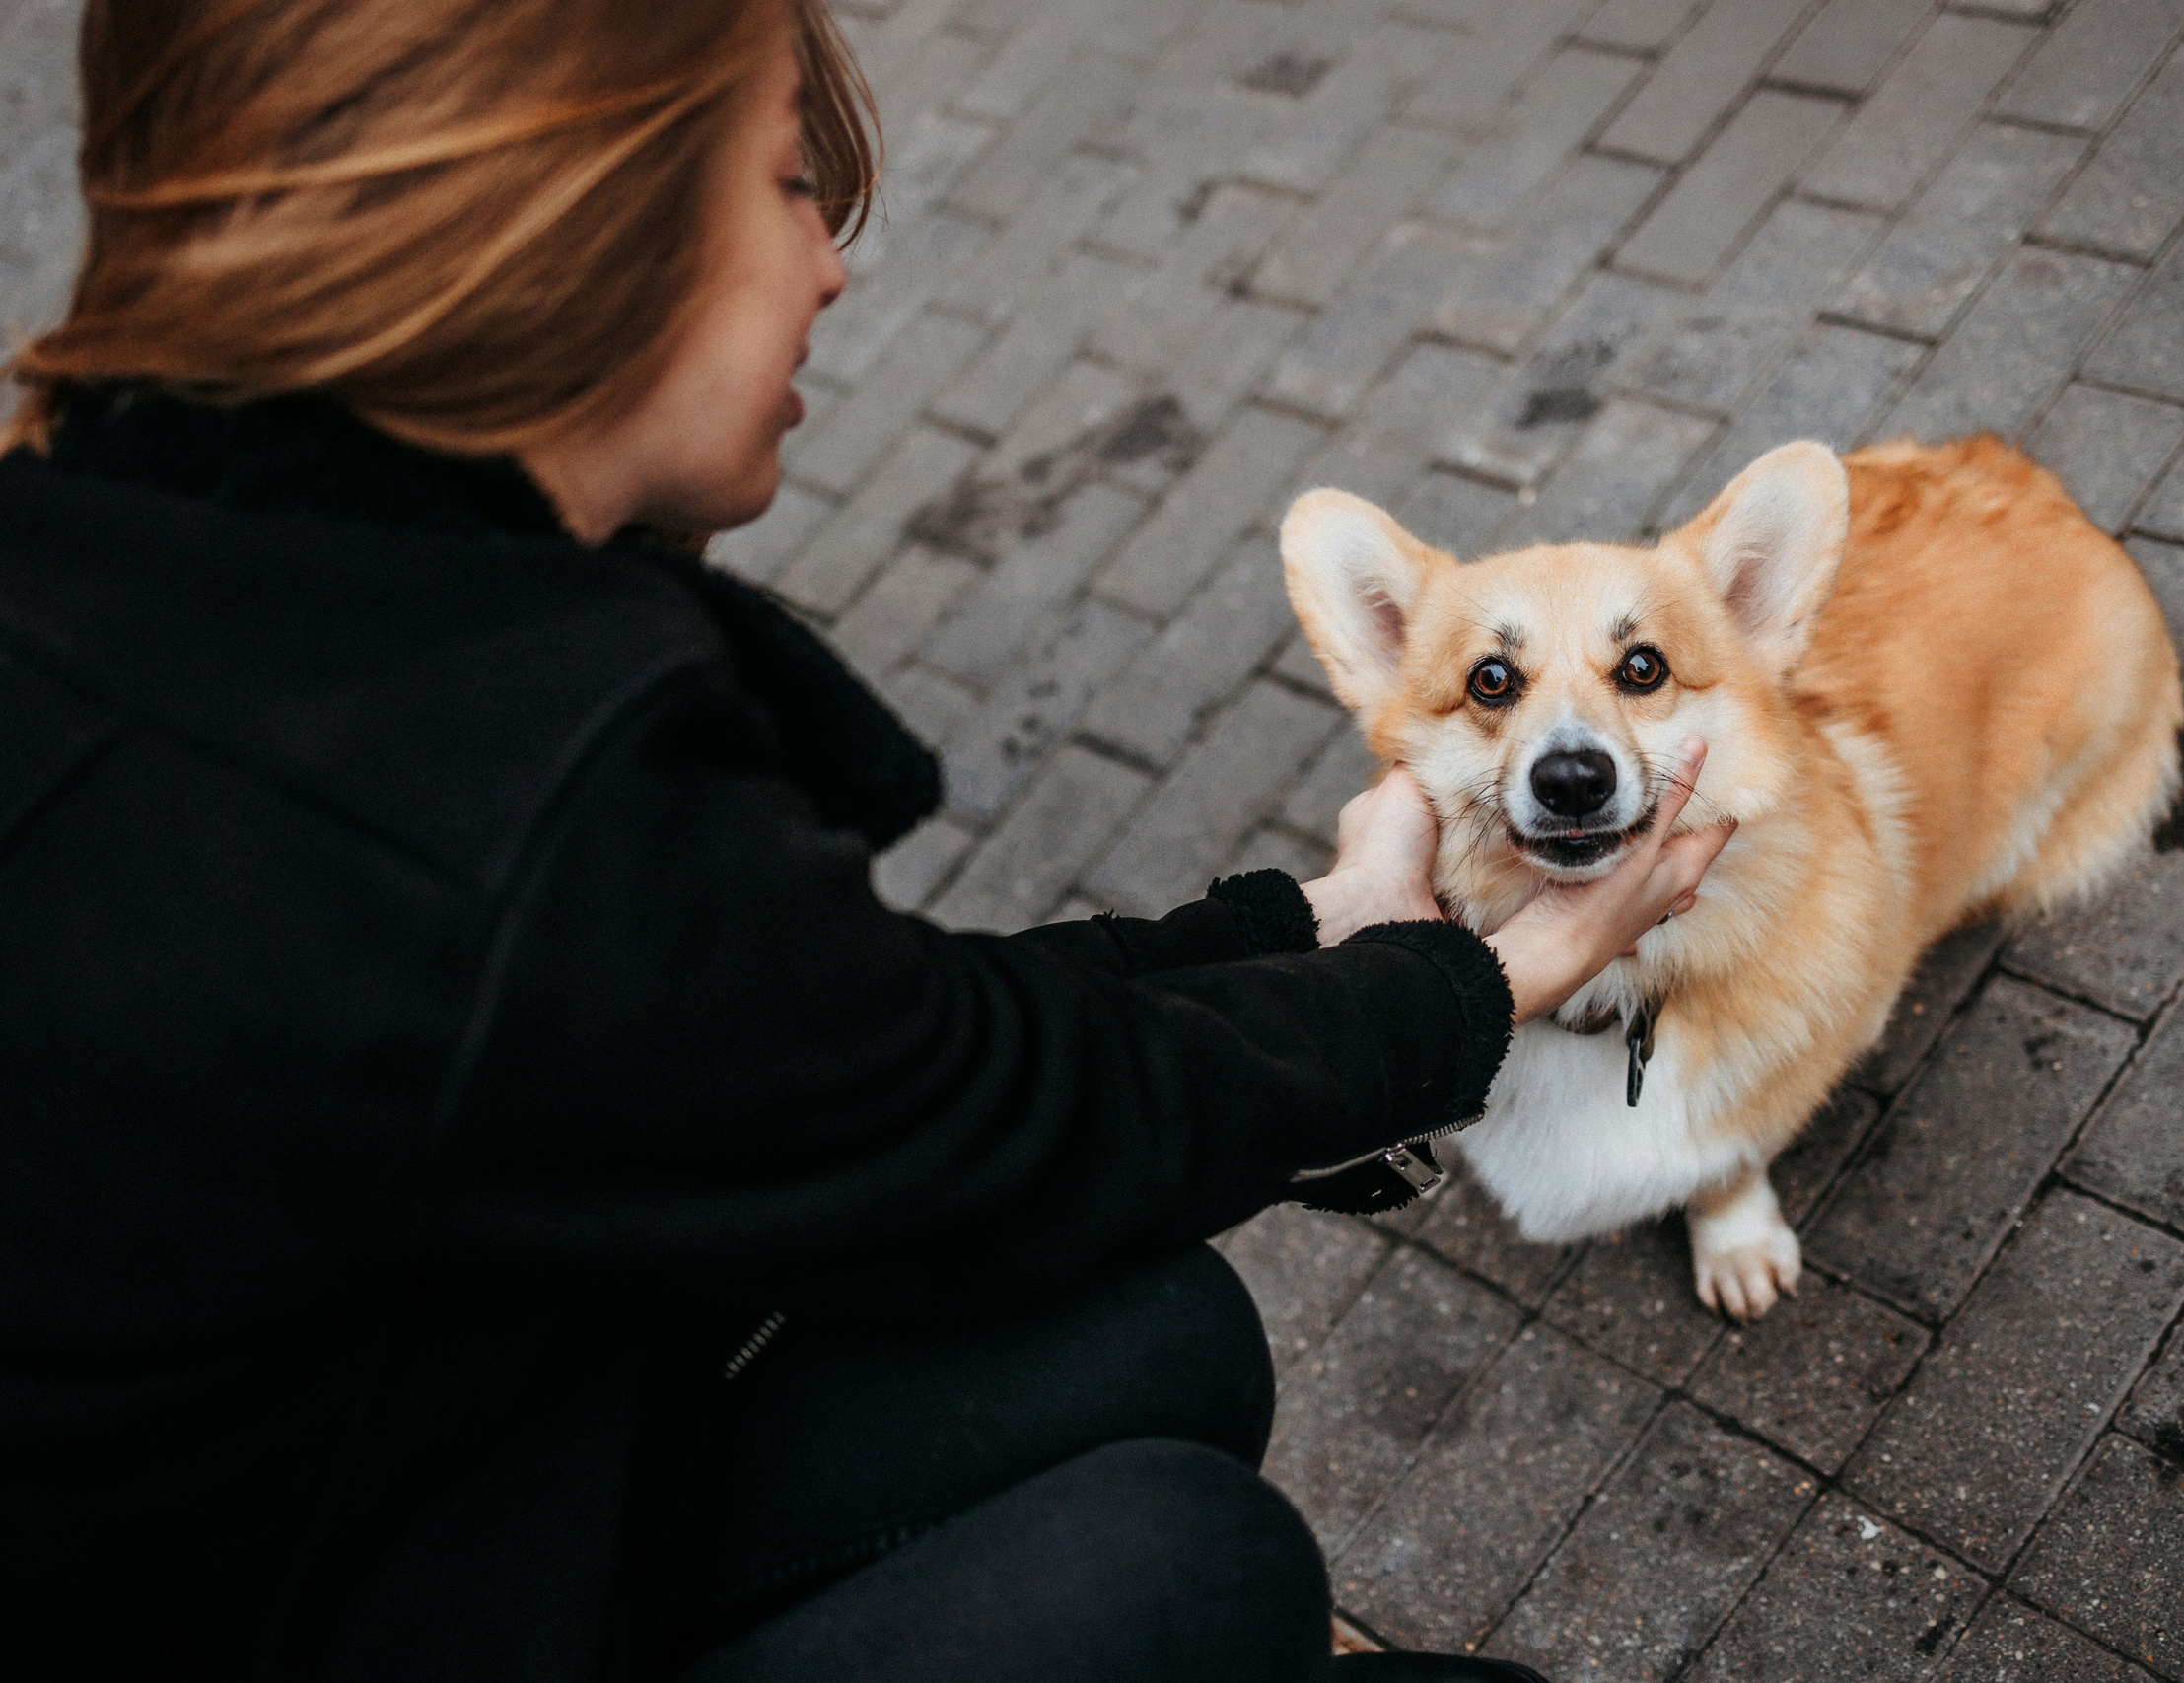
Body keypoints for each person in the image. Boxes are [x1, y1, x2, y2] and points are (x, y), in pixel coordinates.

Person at [0, 3, 1734, 1680]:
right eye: (781, 180)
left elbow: (886, 1061)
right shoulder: (499, 800)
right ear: (574, 226)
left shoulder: (171, 581)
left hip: (413, 1491)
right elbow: (1004, 1129)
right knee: (1193, 1573)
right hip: (364, 1601)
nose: (830, 261)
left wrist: (1315, 919)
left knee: (1160, 1337)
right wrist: (1480, 983)